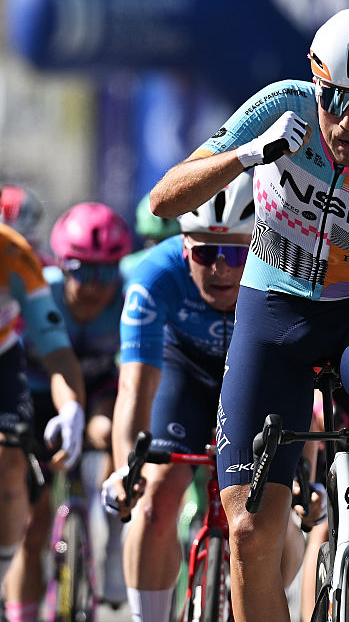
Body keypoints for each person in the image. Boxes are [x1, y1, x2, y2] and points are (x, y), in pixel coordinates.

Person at [146, 7, 349, 622]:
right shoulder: (281, 105)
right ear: (315, 84)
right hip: (272, 308)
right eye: (333, 98)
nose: (346, 121)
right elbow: (165, 200)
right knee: (249, 531)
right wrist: (249, 155)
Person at [101, 175, 314, 622]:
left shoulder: (286, 271)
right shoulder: (153, 277)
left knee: (275, 510)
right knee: (156, 494)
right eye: (205, 253)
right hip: (185, 370)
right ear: (184, 250)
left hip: (256, 372)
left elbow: (302, 387)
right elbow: (135, 388)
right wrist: (127, 469)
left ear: (260, 246)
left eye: (238, 252)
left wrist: (304, 474)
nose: (221, 268)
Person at [3, 203, 132, 621]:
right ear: (61, 265)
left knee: (113, 425)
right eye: (82, 270)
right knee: (33, 526)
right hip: (37, 392)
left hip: (95, 390)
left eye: (106, 272)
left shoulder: (131, 292)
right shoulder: (42, 286)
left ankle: (113, 535)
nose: (94, 286)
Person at [0, 222, 85, 598]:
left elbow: (57, 352)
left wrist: (71, 409)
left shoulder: (13, 255)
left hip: (2, 358)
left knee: (11, 457)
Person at [119, 190, 182, 278]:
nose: (164, 251)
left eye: (171, 242)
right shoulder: (127, 269)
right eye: (154, 242)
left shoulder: (128, 269)